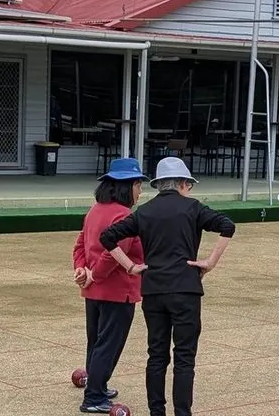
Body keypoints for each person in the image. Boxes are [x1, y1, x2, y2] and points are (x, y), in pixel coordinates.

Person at [99, 156, 235, 416]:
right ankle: (182, 413)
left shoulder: (145, 212)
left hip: (154, 289)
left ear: (159, 184)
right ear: (183, 183)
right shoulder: (193, 208)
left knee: (157, 355)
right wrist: (209, 262)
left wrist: (130, 266)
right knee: (184, 357)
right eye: (189, 185)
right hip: (185, 288)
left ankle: (156, 412)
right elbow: (227, 226)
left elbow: (108, 237)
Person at [71, 157, 147, 414]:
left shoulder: (95, 210)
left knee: (95, 340)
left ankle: (97, 385)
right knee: (109, 344)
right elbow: (115, 252)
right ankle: (93, 397)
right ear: (126, 186)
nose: (140, 191)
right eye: (138, 185)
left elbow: (80, 244)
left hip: (93, 290)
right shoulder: (124, 215)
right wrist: (94, 275)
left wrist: (81, 269)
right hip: (117, 290)